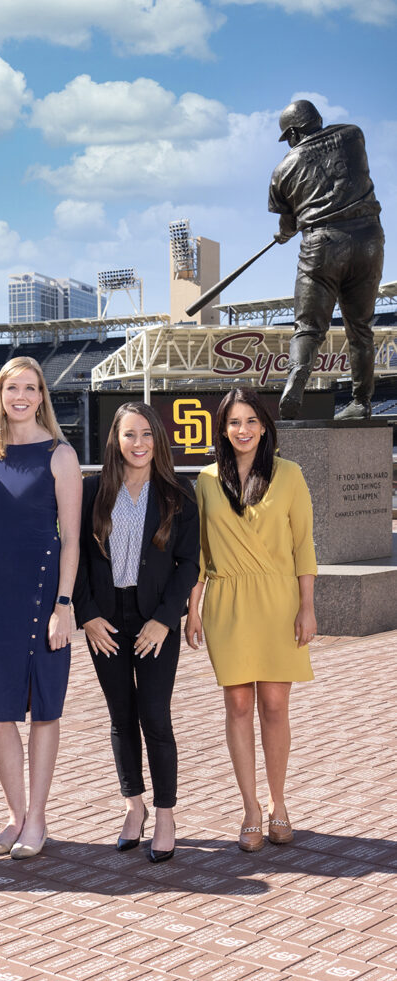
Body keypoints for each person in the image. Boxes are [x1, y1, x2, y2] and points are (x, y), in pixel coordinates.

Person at [0, 356, 82, 860]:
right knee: (0, 711)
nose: (22, 397)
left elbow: (71, 539)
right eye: (13, 388)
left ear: (41, 396)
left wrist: (65, 604)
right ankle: (14, 816)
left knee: (44, 709)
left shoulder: (61, 455)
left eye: (31, 388)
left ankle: (38, 818)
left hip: (41, 593)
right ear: (1, 395)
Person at [186, 388, 317, 852]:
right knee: (238, 706)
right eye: (234, 422)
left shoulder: (290, 474)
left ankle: (280, 802)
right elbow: (198, 551)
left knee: (276, 707)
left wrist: (307, 606)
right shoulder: (204, 480)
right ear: (222, 429)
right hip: (228, 603)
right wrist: (193, 609)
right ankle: (250, 809)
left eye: (251, 421)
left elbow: (304, 545)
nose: (243, 430)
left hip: (279, 601)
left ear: (264, 426)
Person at [73, 402, 199, 862]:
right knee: (121, 717)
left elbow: (189, 563)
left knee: (155, 716)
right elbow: (79, 559)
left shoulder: (178, 493)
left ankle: (165, 814)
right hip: (105, 619)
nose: (139, 443)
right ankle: (133, 807)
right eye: (129, 435)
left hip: (154, 620)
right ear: (115, 440)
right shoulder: (92, 492)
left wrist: (166, 619)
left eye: (146, 433)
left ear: (157, 439)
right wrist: (85, 615)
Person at [269, 99, 384, 420]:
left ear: (292, 132)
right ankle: (361, 402)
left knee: (308, 328)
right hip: (368, 239)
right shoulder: (353, 135)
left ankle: (297, 376)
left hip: (322, 244)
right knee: (360, 329)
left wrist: (282, 234)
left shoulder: (282, 170)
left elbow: (289, 224)